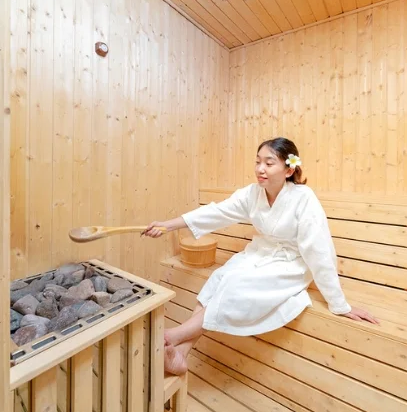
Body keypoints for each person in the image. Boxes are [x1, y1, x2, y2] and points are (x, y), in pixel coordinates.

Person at [142, 137, 378, 374]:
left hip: (290, 265)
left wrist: (339, 303)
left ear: (288, 169)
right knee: (219, 278)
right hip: (259, 254)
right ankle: (182, 354)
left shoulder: (304, 198)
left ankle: (173, 335)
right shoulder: (253, 194)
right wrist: (168, 225)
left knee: (234, 284)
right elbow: (217, 212)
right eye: (258, 162)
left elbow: (319, 251)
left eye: (269, 163)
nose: (260, 169)